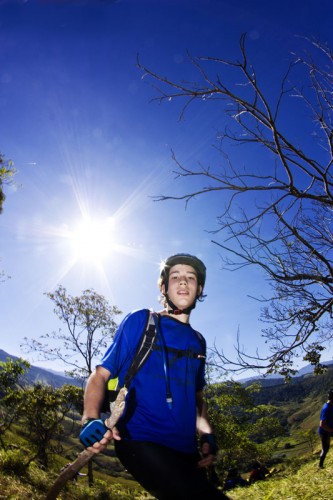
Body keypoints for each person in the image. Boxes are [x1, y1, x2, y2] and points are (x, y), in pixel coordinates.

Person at [79, 253, 229, 499]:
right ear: (164, 286)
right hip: (140, 440)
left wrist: (206, 434)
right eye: (175, 277)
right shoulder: (142, 321)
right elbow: (99, 377)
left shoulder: (198, 342)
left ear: (199, 288)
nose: (183, 282)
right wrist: (90, 419)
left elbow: (198, 399)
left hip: (186, 450)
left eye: (190, 278)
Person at [318, 389, 333, 468]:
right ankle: (320, 465)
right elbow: (322, 424)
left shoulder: (331, 405)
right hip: (324, 432)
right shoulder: (326, 408)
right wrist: (331, 430)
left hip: (330, 429)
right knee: (325, 449)